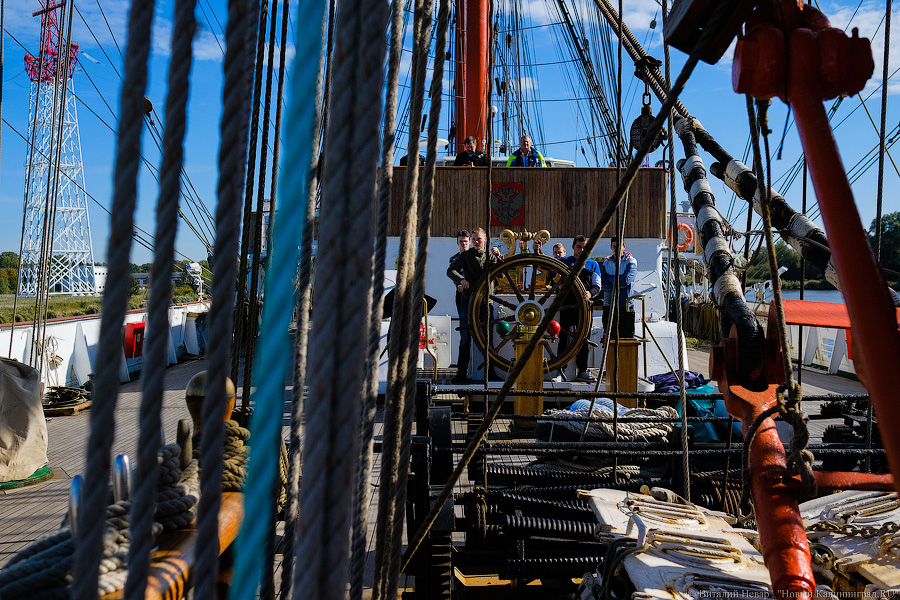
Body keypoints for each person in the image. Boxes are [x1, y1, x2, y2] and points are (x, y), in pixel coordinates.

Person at [447, 227, 504, 382]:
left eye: (478, 239)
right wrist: (461, 279)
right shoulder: (465, 256)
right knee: (465, 339)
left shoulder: (491, 257)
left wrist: (499, 257)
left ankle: (490, 373)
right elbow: (451, 270)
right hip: (468, 301)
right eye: (473, 239)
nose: (476, 242)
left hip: (486, 303)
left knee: (488, 340)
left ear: (485, 239)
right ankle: (461, 374)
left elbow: (502, 273)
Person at [557, 235, 602, 382]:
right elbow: (547, 267)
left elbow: (597, 286)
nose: (582, 250)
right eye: (579, 247)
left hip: (584, 307)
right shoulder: (564, 261)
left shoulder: (593, 264)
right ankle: (560, 370)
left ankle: (582, 371)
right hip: (567, 306)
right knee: (563, 337)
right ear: (573, 247)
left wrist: (590, 293)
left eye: (585, 247)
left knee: (584, 339)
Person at [601, 237, 638, 340]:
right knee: (610, 336)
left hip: (625, 305)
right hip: (609, 305)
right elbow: (603, 283)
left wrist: (610, 278)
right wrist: (619, 283)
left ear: (624, 247)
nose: (616, 248)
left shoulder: (631, 261)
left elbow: (626, 280)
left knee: (626, 336)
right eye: (614, 246)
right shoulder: (606, 262)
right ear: (611, 247)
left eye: (618, 246)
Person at [449, 230, 470, 380]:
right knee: (465, 333)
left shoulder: (476, 257)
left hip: (478, 295)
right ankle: (462, 371)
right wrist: (459, 283)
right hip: (462, 296)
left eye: (466, 241)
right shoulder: (454, 259)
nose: (463, 244)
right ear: (457, 243)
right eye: (461, 241)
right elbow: (454, 274)